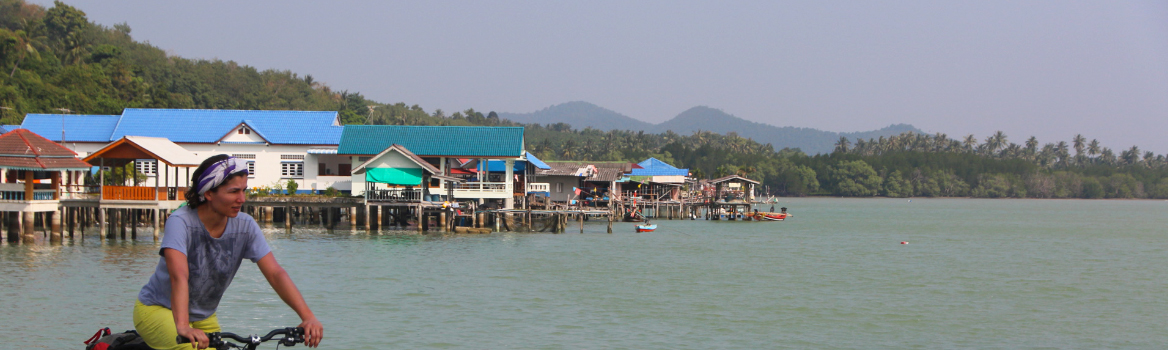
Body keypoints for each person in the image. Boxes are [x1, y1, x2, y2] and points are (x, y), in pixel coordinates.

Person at [133, 155, 323, 349]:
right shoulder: (181, 222)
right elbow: (179, 276)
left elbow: (275, 273)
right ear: (208, 193)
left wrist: (308, 317)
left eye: (243, 191)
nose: (241, 199)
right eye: (233, 191)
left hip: (203, 316)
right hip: (159, 309)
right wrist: (182, 326)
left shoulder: (245, 225)